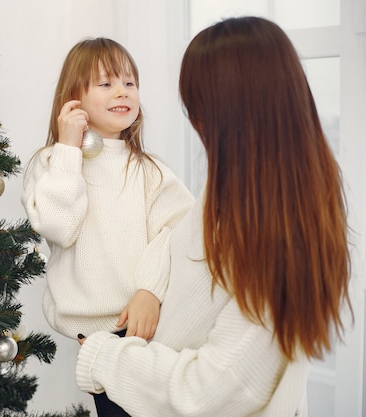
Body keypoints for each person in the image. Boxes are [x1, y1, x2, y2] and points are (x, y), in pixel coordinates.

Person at [75, 16, 352, 417]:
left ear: (227, 113)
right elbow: (180, 256)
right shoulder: (236, 188)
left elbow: (213, 392)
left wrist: (104, 355)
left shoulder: (277, 234)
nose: (192, 120)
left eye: (196, 106)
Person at [21, 37, 194, 416]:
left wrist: (150, 290)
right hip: (98, 341)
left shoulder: (151, 170)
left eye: (130, 83)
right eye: (106, 83)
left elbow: (180, 236)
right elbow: (60, 227)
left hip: (155, 331)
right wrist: (68, 148)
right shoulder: (51, 163)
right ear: (74, 98)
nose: (122, 91)